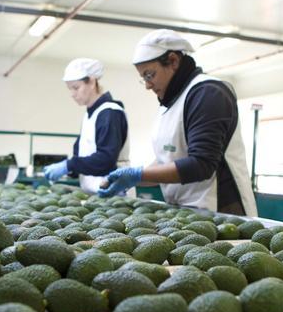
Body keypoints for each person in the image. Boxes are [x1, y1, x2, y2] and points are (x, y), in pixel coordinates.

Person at [99, 29, 257, 216]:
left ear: (173, 61)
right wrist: (132, 179)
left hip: (221, 213)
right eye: (144, 79)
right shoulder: (171, 103)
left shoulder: (208, 93)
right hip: (187, 212)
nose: (148, 85)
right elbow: (168, 162)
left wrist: (138, 174)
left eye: (149, 75)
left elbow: (201, 164)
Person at [43, 58, 130, 194]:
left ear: (91, 81)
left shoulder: (109, 112)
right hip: (95, 193)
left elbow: (105, 159)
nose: (72, 94)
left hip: (114, 194)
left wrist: (68, 165)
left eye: (76, 88)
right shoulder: (90, 115)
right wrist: (70, 170)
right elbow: (83, 153)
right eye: (70, 89)